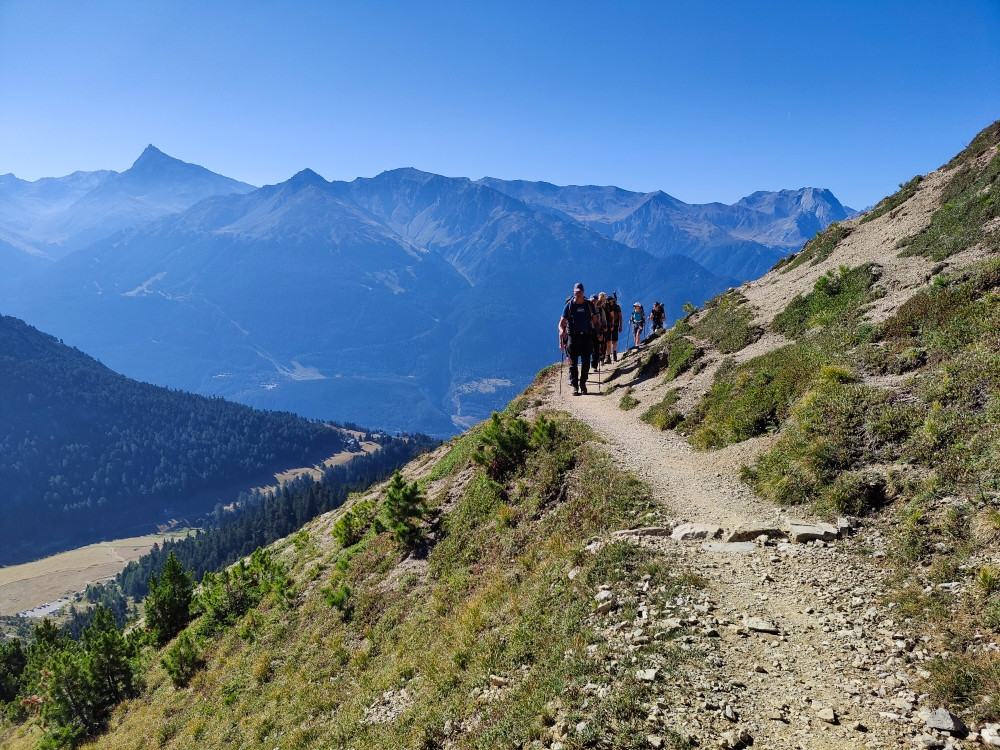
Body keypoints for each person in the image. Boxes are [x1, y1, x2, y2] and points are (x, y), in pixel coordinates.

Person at [559, 282, 599, 395]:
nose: (578, 292)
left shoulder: (589, 305)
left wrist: (599, 332)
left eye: (580, 291)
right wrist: (562, 331)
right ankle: (575, 386)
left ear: (583, 291)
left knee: (586, 362)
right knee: (573, 363)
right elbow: (561, 323)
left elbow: (596, 321)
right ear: (573, 292)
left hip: (586, 336)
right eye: (576, 291)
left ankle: (583, 383)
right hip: (573, 336)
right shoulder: (569, 306)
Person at [606, 293, 623, 362]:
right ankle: (609, 357)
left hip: (615, 325)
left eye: (610, 300)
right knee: (608, 341)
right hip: (608, 325)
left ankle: (614, 355)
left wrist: (621, 326)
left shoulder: (617, 307)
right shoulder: (606, 307)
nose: (609, 301)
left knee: (613, 341)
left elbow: (620, 317)